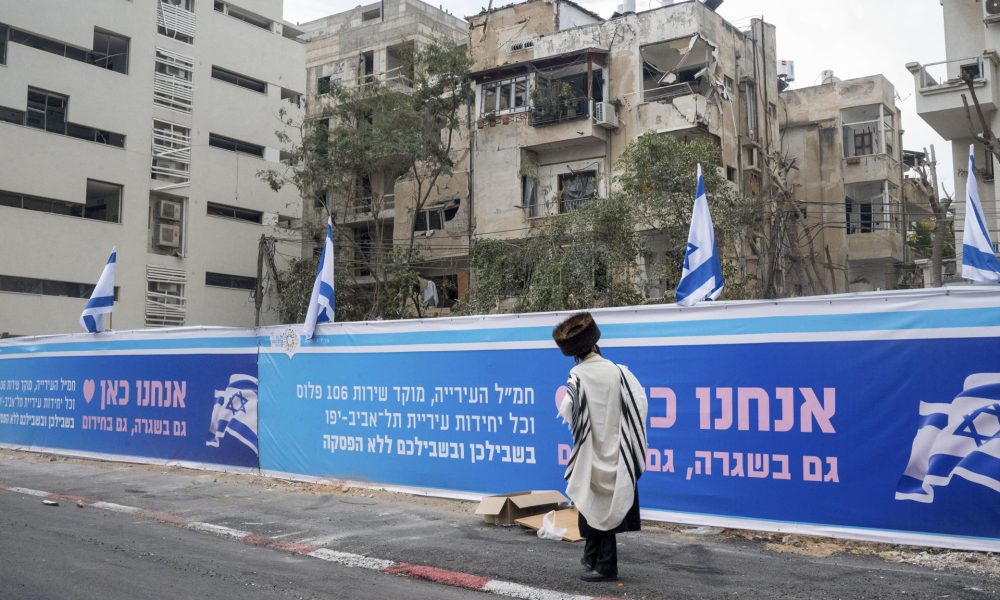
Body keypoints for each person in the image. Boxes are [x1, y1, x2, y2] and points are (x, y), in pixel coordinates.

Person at [552, 312, 648, 582]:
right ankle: (592, 556)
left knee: (594, 503)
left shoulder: (578, 375)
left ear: (577, 354)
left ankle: (607, 566)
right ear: (595, 345)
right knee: (604, 504)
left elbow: (567, 409)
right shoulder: (620, 372)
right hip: (618, 449)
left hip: (592, 448)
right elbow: (639, 404)